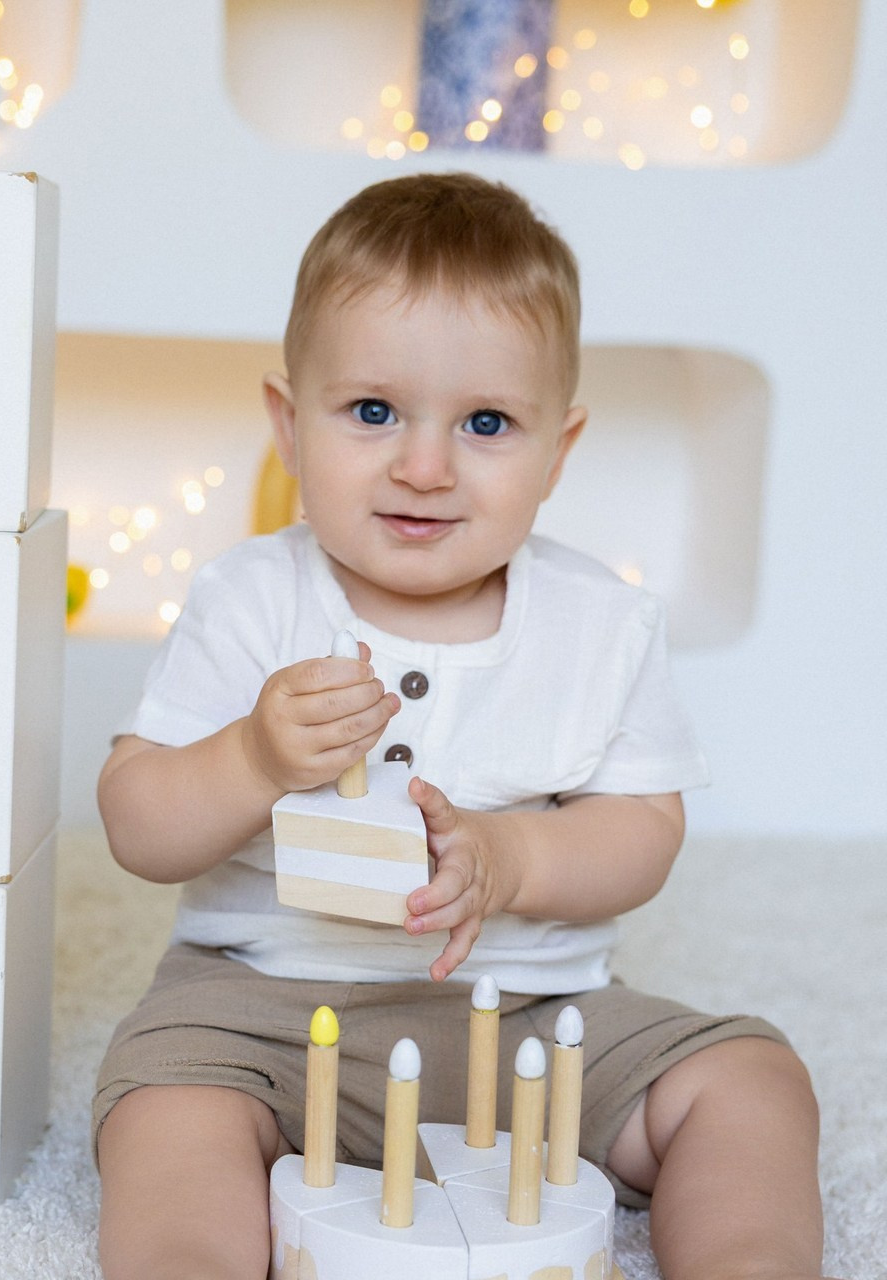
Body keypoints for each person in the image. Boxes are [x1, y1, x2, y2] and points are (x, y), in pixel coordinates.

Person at [92, 172, 828, 1280]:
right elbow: (138, 825)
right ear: (288, 425)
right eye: (372, 411)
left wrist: (511, 856)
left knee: (751, 1077)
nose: (423, 467)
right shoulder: (250, 599)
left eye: (485, 423)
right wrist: (250, 756)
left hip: (536, 1020)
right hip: (264, 1016)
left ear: (557, 451)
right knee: (164, 1106)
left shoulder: (600, 622)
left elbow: (642, 833)